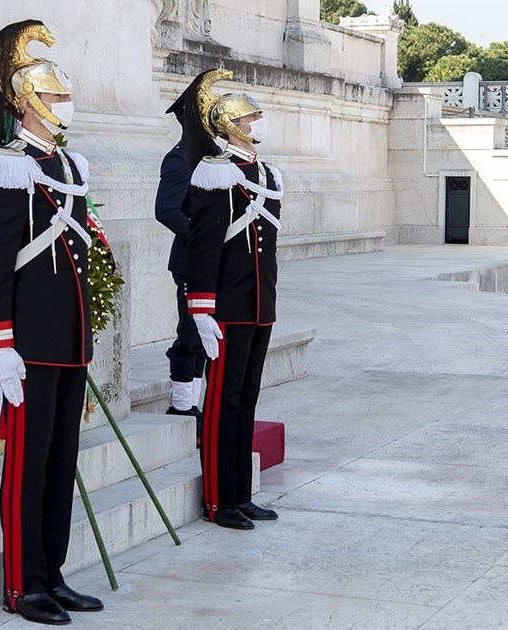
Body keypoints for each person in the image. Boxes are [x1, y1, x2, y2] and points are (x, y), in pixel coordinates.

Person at [0, 20, 104, 625]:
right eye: (52, 96)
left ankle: (53, 571)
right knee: (27, 464)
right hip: (28, 342)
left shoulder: (70, 166)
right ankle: (24, 585)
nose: (62, 105)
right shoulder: (5, 166)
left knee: (59, 461)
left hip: (69, 342)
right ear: (24, 101)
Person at [180, 69, 282, 530]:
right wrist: (201, 308)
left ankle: (242, 492)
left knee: (247, 399)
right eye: (251, 117)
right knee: (222, 405)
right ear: (232, 126)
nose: (258, 122)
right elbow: (203, 247)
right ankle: (220, 500)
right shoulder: (217, 174)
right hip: (228, 309)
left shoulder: (265, 173)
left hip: (259, 306)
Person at [156, 78, 211, 445]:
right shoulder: (179, 159)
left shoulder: (210, 158)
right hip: (192, 260)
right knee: (190, 334)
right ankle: (181, 404)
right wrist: (203, 240)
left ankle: (196, 402)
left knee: (207, 337)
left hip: (214, 263)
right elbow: (166, 210)